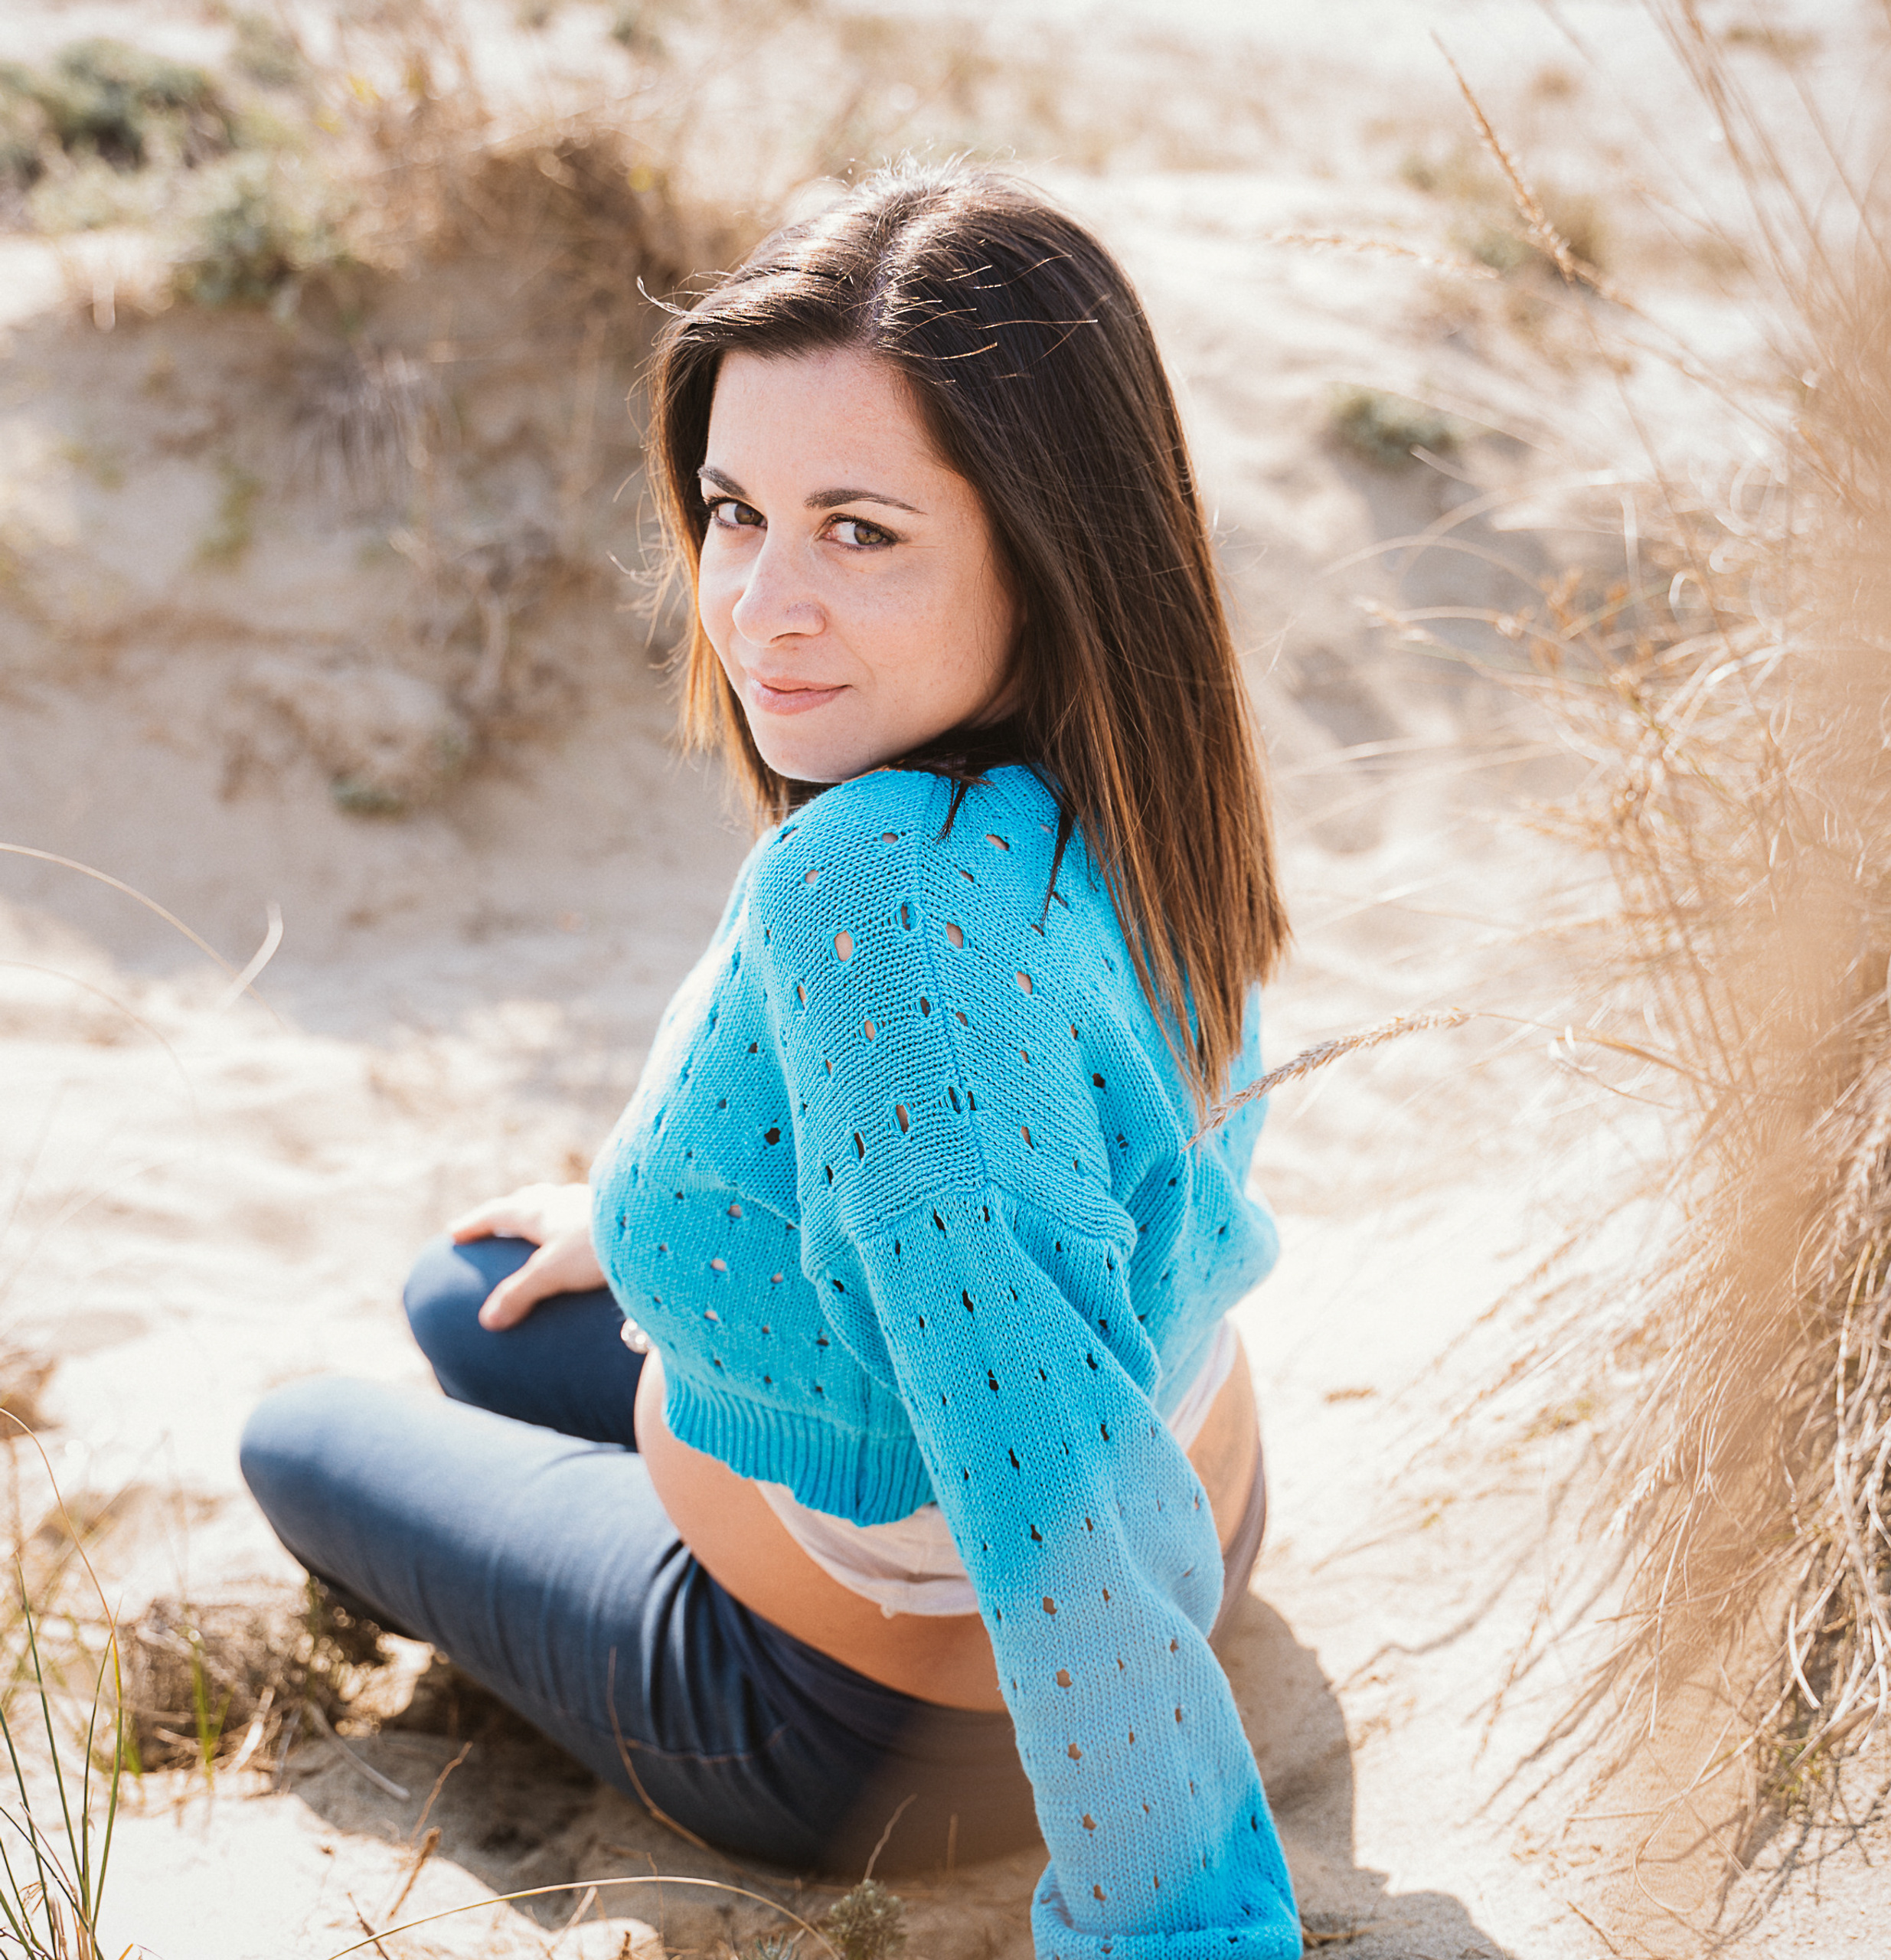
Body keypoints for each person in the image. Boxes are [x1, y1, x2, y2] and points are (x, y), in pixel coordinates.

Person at [241, 165, 1301, 1959]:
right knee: (463, 1291)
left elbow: (1051, 1472)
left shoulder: (874, 909)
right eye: (737, 511)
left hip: (856, 1720)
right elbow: (1023, 1188)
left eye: (861, 530)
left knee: (295, 1433)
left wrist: (1177, 1930)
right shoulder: (1124, 760)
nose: (759, 609)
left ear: (1043, 549)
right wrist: (648, 1210)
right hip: (1213, 1481)